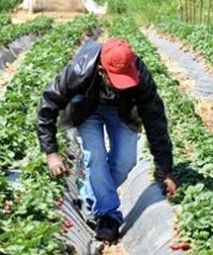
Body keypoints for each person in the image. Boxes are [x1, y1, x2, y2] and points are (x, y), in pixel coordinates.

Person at [37, 38, 177, 243]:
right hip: (88, 108)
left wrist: (166, 170)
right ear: (102, 71)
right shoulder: (79, 70)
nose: (122, 84)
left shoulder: (139, 74)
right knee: (95, 156)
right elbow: (47, 105)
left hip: (121, 109)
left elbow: (155, 119)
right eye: (116, 79)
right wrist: (51, 153)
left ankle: (87, 196)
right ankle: (109, 216)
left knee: (126, 159)